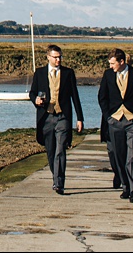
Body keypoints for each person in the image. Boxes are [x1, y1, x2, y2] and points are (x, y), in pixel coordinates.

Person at [26, 42, 85, 195]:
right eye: (56, 57)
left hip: (63, 117)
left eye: (60, 57)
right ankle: (55, 175)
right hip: (46, 117)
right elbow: (32, 93)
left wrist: (80, 118)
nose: (59, 60)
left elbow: (75, 96)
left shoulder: (68, 73)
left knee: (60, 150)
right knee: (51, 151)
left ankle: (59, 183)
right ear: (48, 57)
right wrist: (36, 100)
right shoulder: (39, 73)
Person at [97, 46, 133, 203]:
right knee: (119, 156)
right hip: (115, 121)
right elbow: (102, 97)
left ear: (122, 61)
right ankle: (125, 185)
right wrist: (108, 117)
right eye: (110, 64)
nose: (111, 67)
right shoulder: (108, 75)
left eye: (113, 63)